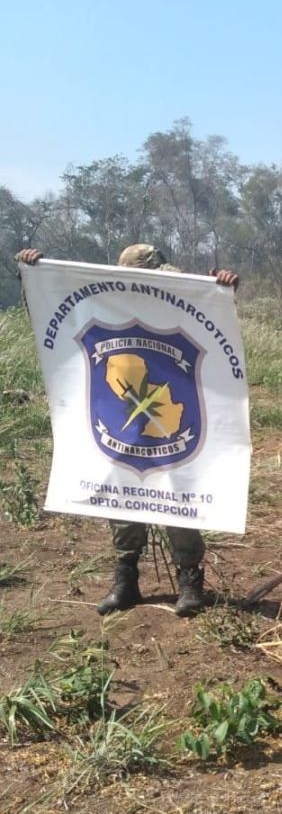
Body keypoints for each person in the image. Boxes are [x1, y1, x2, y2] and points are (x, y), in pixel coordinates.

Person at [16, 244, 239, 618]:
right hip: (119, 413)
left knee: (177, 491)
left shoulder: (179, 302)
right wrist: (35, 275)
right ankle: (126, 579)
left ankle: (189, 580)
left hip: (175, 413)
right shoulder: (106, 305)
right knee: (122, 492)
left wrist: (223, 288)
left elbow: (217, 328)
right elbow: (56, 313)